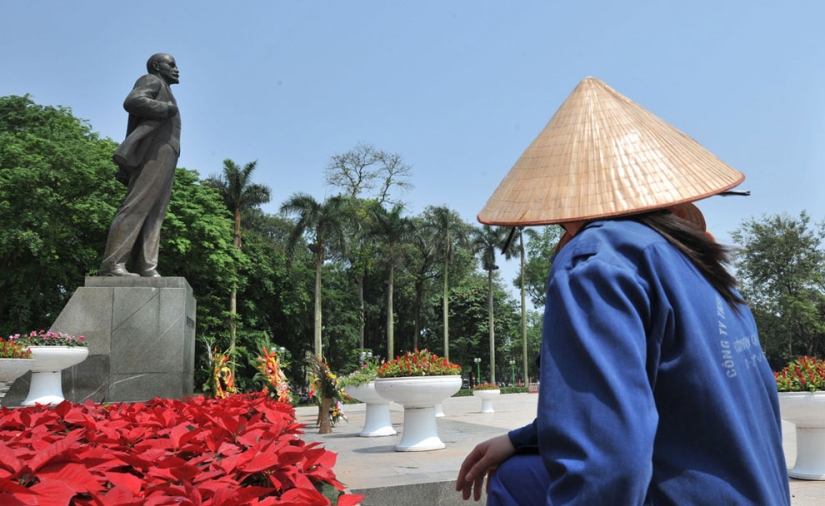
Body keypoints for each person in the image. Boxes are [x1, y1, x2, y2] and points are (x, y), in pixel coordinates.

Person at [457, 77, 790, 505]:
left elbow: (606, 459)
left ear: (562, 198)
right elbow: (677, 395)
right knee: (521, 465)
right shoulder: (702, 264)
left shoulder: (595, 262)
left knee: (511, 481)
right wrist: (522, 438)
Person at [99, 53, 181, 277]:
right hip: (154, 151)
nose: (177, 69)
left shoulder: (165, 87)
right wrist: (165, 108)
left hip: (167, 152)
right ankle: (112, 264)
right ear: (157, 66)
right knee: (137, 205)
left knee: (155, 213)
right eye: (171, 64)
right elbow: (133, 101)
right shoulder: (151, 80)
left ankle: (147, 266)